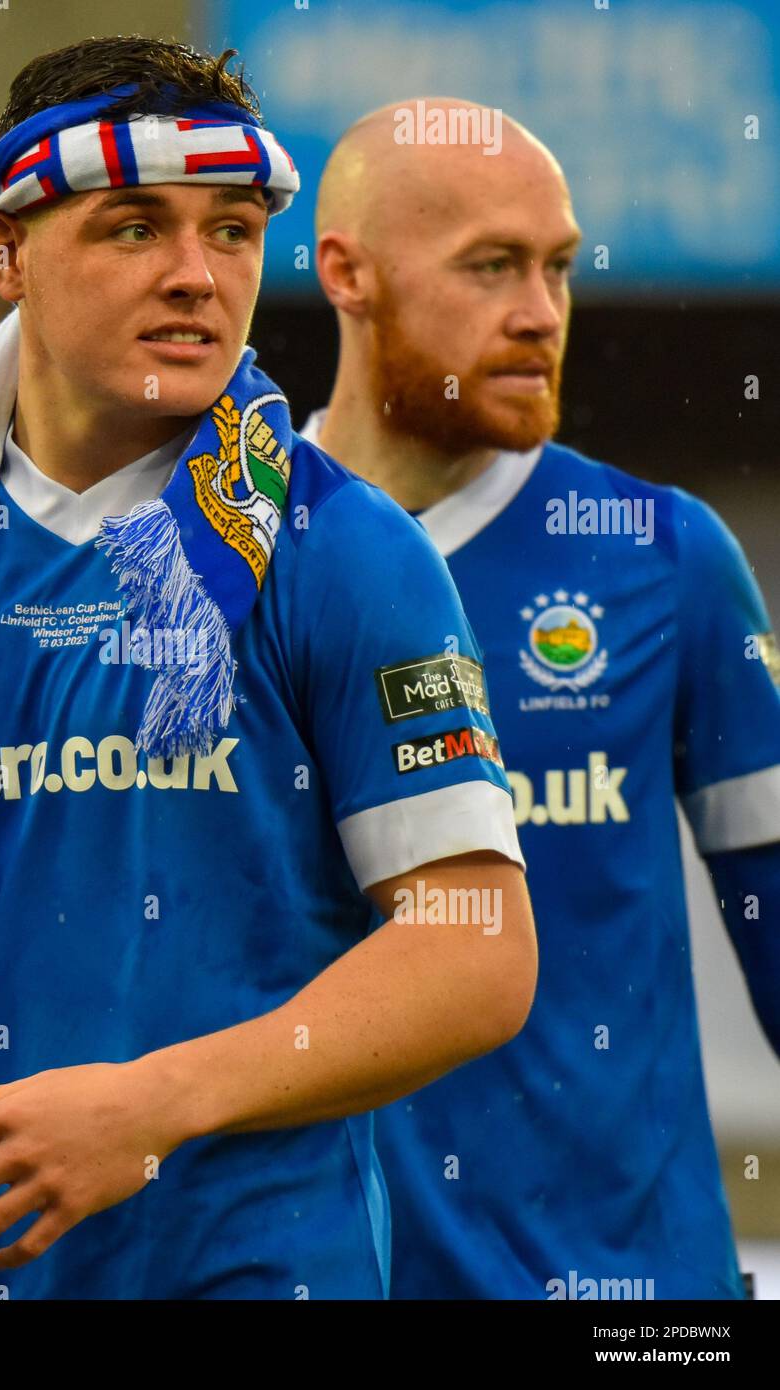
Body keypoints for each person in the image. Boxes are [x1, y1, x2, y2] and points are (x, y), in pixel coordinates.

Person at [0, 39, 535, 1302]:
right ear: (7, 250)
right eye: (136, 227)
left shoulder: (349, 552)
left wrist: (153, 1105)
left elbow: (477, 950)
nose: (199, 277)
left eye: (236, 230)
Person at [304, 98, 780, 1299]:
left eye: (560, 267)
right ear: (346, 274)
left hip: (638, 1300)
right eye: (492, 267)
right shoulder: (232, 561)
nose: (541, 313)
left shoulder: (662, 558)